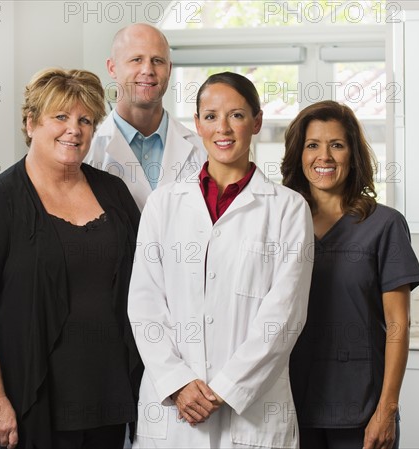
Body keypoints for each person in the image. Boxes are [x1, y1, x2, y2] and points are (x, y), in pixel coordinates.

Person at [0, 68, 142, 449]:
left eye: (85, 120)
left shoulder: (113, 192)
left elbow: (147, 283)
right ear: (31, 122)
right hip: (32, 403)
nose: (74, 129)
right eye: (61, 117)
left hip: (109, 396)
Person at [127, 72, 314, 449]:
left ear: (257, 121)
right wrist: (177, 382)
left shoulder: (288, 209)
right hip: (173, 413)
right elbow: (144, 305)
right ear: (197, 124)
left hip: (253, 415)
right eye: (210, 116)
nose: (222, 128)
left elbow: (284, 316)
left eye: (237, 115)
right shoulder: (164, 204)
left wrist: (225, 390)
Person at [281, 100, 419, 449]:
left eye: (337, 145)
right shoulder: (282, 222)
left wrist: (387, 410)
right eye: (313, 145)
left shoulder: (384, 225)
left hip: (362, 409)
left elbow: (398, 323)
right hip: (290, 406)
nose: (324, 156)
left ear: (353, 154)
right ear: (299, 155)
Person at [85, 23, 207, 211]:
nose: (147, 70)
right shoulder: (87, 152)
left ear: (169, 69)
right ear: (112, 68)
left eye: (157, 60)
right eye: (136, 59)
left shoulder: (202, 151)